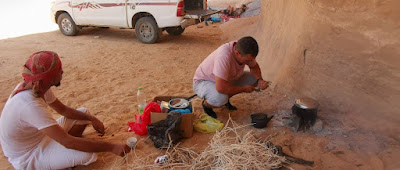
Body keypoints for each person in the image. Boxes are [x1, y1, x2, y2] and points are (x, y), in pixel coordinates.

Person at [0, 51, 131, 169]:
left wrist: (92, 119)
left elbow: (63, 110)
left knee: (84, 113)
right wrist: (111, 147)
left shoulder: (38, 85)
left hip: (42, 136)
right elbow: (68, 142)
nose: (62, 72)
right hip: (29, 156)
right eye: (59, 70)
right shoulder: (29, 105)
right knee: (88, 156)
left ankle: (63, 154)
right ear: (50, 78)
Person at [193, 36, 269, 118]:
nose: (250, 62)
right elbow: (221, 87)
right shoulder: (224, 56)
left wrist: (260, 80)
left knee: (253, 79)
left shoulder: (243, 49)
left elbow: (254, 67)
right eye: (248, 60)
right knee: (220, 98)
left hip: (224, 79)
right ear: (237, 53)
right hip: (204, 81)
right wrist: (244, 89)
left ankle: (226, 99)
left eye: (251, 59)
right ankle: (207, 105)